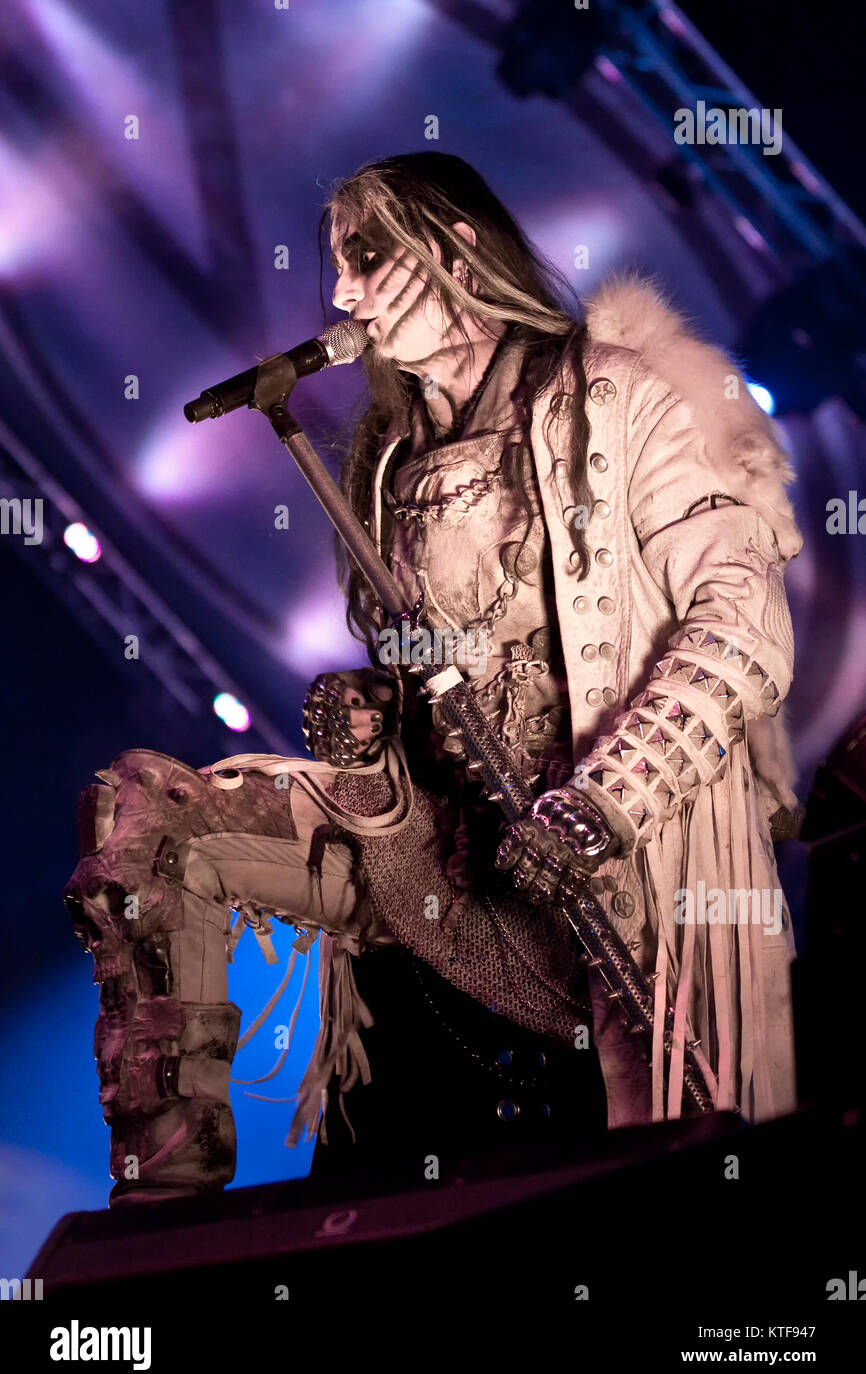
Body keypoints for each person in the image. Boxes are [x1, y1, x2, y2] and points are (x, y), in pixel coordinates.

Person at [65, 152, 804, 1207]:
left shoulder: (626, 400)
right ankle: (161, 1201)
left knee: (664, 1192)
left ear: (456, 247)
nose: (341, 295)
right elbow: (432, 677)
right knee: (144, 816)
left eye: (366, 256)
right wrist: (378, 719)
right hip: (443, 849)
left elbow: (740, 630)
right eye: (337, 265)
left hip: (624, 887)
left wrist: (601, 803)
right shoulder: (386, 459)